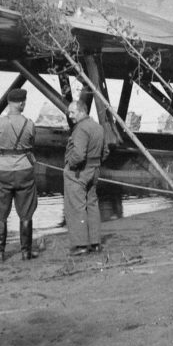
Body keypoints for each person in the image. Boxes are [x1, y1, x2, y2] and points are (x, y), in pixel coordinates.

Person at [0, 88, 38, 261]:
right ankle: (26, 252)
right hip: (24, 170)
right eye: (24, 101)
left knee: (0, 213)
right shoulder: (30, 124)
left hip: (2, 170)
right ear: (21, 103)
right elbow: (31, 144)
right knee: (26, 212)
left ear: (8, 103)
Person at [64, 101, 107, 255]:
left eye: (72, 112)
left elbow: (79, 155)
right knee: (92, 205)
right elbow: (106, 151)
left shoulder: (81, 129)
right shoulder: (98, 127)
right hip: (94, 170)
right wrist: (95, 163)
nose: (70, 116)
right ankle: (95, 243)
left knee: (76, 207)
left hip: (78, 172)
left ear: (82, 111)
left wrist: (70, 164)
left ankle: (81, 245)